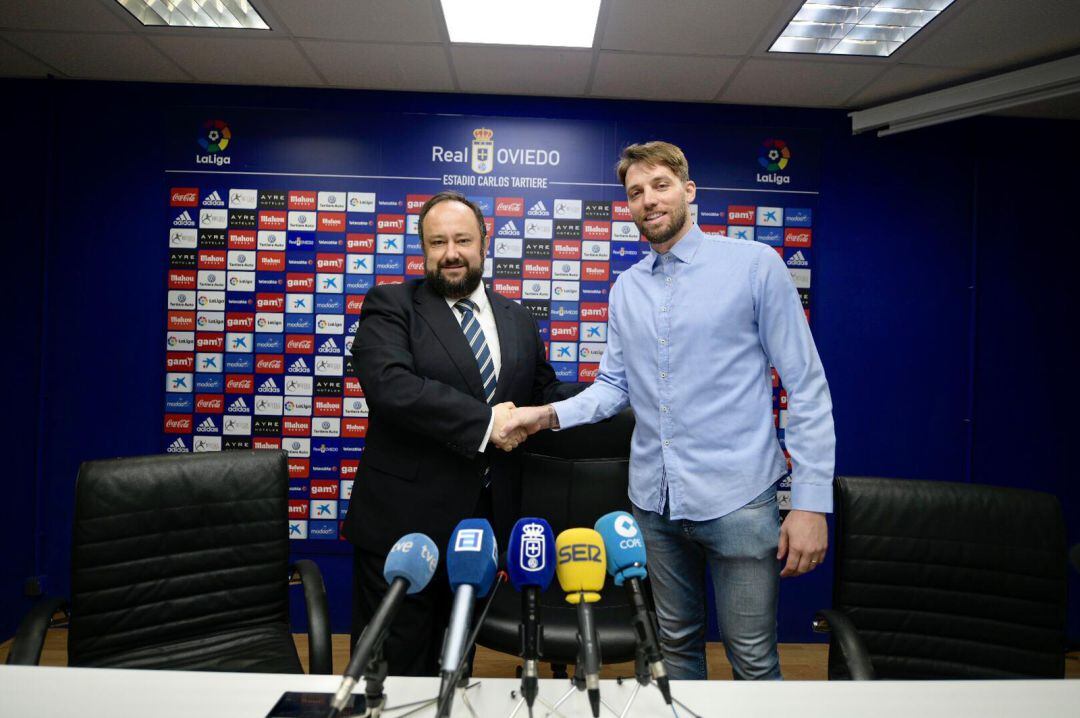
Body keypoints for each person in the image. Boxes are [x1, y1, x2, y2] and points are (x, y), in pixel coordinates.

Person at [500, 141, 835, 680]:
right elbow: (612, 387)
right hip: (654, 507)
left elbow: (807, 385)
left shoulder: (754, 266)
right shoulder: (627, 289)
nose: (648, 200)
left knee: (752, 659)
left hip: (739, 503)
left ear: (688, 190)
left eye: (660, 185)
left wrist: (812, 502)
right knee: (673, 651)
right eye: (635, 192)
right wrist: (539, 417)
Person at [343, 191, 580, 676]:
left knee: (456, 663)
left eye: (462, 240)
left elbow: (542, 390)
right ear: (423, 248)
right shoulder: (392, 305)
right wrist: (488, 423)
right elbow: (391, 386)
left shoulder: (516, 317)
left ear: (484, 242)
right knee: (389, 672)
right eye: (438, 242)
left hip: (479, 529)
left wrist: (614, 389)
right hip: (401, 525)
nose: (451, 252)